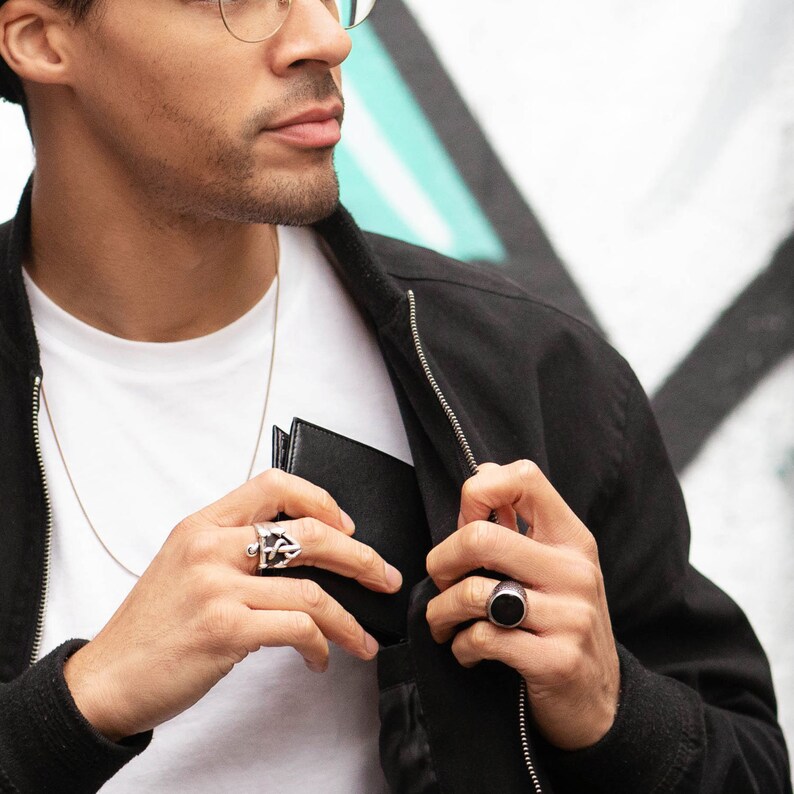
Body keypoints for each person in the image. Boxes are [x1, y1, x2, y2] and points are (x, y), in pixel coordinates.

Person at [0, 0, 790, 792]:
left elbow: (750, 765)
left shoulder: (521, 370)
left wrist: (611, 710)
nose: (328, 38)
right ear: (40, 38)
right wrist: (78, 706)